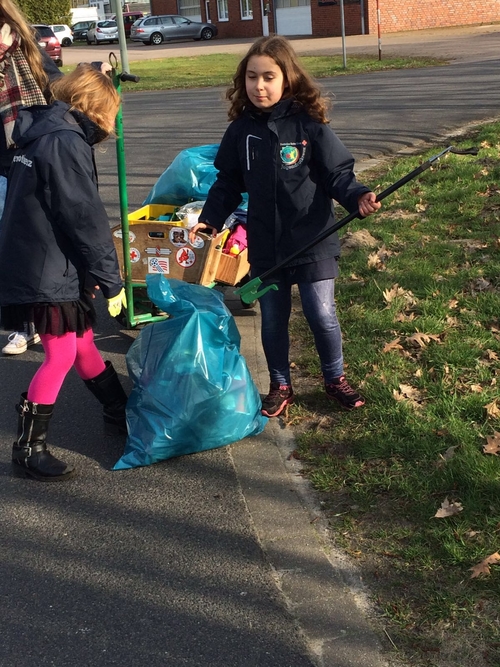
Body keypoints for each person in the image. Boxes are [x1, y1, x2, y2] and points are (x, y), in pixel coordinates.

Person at [189, 36, 381, 418]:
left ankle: (334, 378)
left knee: (320, 313)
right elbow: (227, 182)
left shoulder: (308, 125)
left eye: (269, 77)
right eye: (252, 77)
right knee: (273, 317)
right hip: (266, 244)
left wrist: (356, 195)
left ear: (287, 79)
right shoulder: (241, 131)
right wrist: (210, 219)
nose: (259, 86)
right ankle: (280, 384)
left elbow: (337, 173)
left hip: (313, 238)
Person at [0, 64, 128, 481]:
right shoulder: (64, 141)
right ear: (95, 107)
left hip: (46, 258)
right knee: (61, 353)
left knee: (84, 342)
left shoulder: (39, 131)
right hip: (48, 266)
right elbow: (83, 216)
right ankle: (28, 448)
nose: (112, 123)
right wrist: (111, 278)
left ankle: (118, 409)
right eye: (111, 112)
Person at [0, 0, 109, 355]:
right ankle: (27, 320)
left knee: (47, 233)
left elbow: (55, 83)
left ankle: (42, 314)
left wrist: (90, 81)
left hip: (38, 143)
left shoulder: (22, 40)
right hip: (8, 157)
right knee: (22, 242)